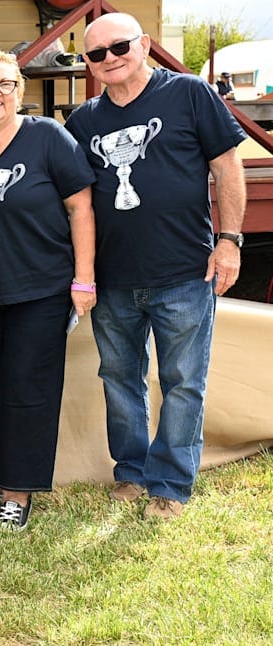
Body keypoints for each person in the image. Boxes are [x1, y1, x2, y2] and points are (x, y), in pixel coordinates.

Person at [64, 13, 246, 520]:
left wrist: (229, 240)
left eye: (118, 47)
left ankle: (170, 483)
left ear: (144, 44)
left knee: (183, 380)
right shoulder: (82, 124)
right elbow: (72, 200)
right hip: (113, 279)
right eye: (95, 54)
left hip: (186, 271)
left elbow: (227, 166)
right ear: (88, 63)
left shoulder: (189, 94)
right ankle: (132, 472)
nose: (108, 59)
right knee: (120, 379)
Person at [0, 49, 96, 529]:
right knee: (0, 385)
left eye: (6, 84)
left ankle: (17, 491)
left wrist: (83, 278)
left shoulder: (48, 138)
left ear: (20, 91)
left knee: (28, 389)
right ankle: (14, 475)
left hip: (43, 288)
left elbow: (81, 210)